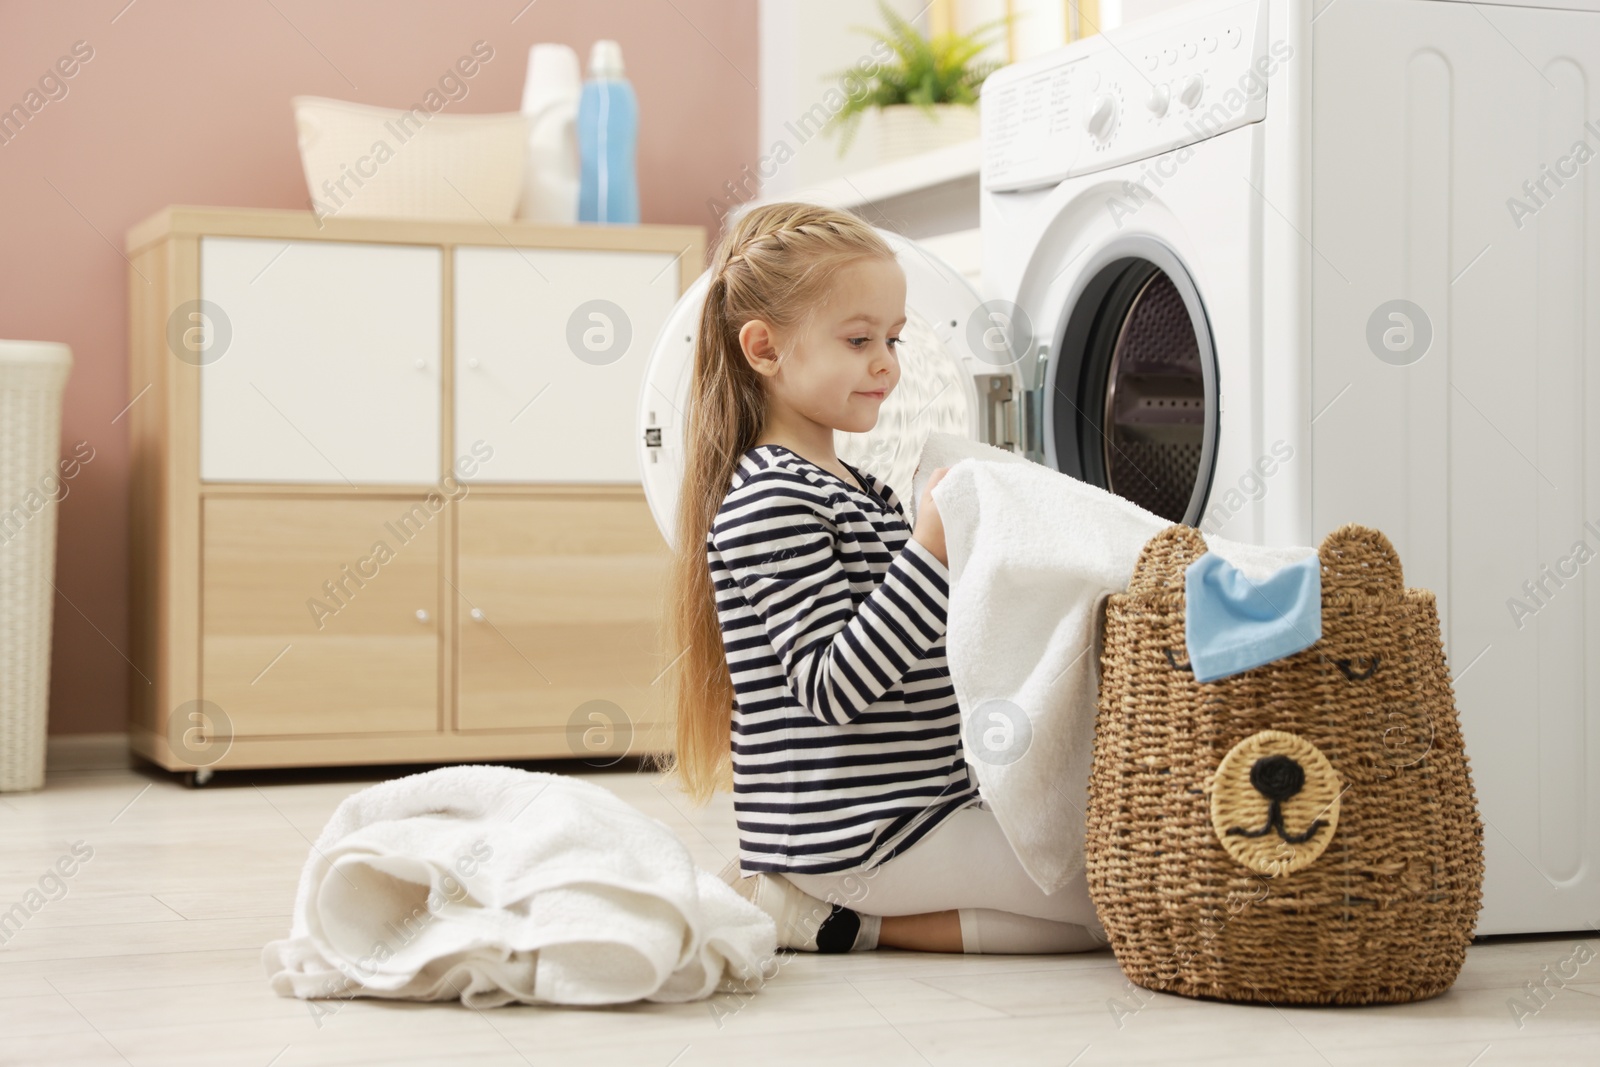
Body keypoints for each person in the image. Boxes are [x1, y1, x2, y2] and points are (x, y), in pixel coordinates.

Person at [652, 201, 1106, 956]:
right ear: (764, 348)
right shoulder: (769, 500)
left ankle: (834, 917)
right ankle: (836, 920)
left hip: (907, 805)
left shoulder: (857, 487)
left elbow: (929, 645)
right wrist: (929, 550)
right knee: (1111, 897)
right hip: (854, 827)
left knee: (1111, 878)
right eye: (859, 339)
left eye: (892, 339)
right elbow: (834, 686)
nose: (887, 364)